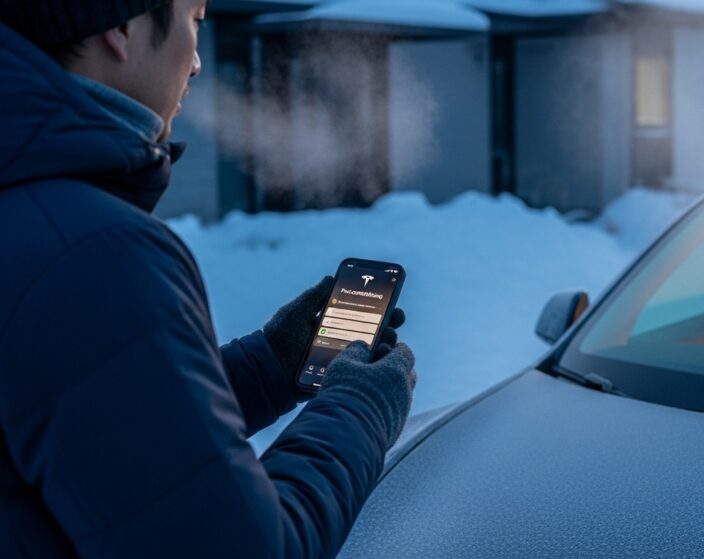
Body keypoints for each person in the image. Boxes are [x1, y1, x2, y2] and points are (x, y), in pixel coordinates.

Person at [0, 0, 417, 556]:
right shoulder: (93, 251)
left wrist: (265, 368)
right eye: (195, 20)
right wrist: (360, 411)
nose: (196, 63)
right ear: (120, 28)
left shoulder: (32, 214)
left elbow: (104, 432)